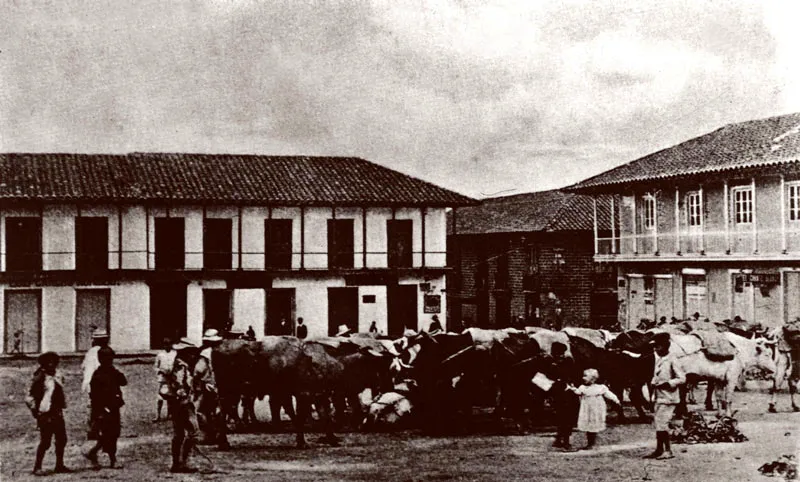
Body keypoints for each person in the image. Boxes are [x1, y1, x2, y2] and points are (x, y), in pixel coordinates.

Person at [26, 352, 70, 475]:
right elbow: (30, 398)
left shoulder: (57, 376)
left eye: (53, 363)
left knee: (62, 439)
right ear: (44, 365)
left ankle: (59, 465)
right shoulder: (40, 378)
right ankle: (37, 467)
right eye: (49, 363)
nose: (52, 365)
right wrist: (36, 412)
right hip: (45, 413)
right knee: (46, 441)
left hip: (57, 411)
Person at [645, 332, 686, 460]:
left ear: (665, 346)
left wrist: (669, 383)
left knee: (662, 424)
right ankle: (659, 449)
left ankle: (668, 450)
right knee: (658, 423)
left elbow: (682, 378)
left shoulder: (673, 359)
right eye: (654, 347)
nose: (655, 349)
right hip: (659, 396)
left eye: (658, 347)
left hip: (669, 397)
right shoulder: (660, 359)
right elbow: (656, 376)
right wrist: (653, 383)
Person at [85, 346, 127, 469]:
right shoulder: (98, 375)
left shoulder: (112, 372)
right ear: (101, 359)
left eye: (111, 358)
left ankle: (95, 453)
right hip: (102, 409)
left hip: (114, 407)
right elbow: (95, 396)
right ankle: (110, 458)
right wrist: (100, 411)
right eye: (107, 359)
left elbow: (123, 381)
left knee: (114, 433)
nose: (109, 361)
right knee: (106, 434)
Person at [164, 338, 200, 473]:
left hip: (176, 403)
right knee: (193, 433)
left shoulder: (177, 364)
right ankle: (184, 461)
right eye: (191, 352)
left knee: (178, 434)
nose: (193, 355)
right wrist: (186, 401)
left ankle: (176, 463)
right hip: (183, 404)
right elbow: (180, 387)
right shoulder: (182, 367)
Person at [566, 368, 620, 450]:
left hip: (596, 408)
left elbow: (609, 394)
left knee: (593, 424)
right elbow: (578, 392)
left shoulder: (600, 387)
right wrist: (571, 388)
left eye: (585, 376)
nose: (583, 378)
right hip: (586, 409)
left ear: (593, 378)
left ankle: (591, 443)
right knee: (588, 424)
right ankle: (590, 443)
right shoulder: (582, 387)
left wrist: (616, 400)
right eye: (583, 376)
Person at [194, 329, 230, 450]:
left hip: (208, 385)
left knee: (201, 410)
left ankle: (210, 434)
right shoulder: (225, 352)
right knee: (219, 411)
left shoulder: (205, 353)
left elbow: (199, 370)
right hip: (222, 384)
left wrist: (195, 380)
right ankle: (221, 436)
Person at [548, 342, 579, 451]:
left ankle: (559, 439)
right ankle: (565, 442)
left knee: (562, 417)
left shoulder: (553, 362)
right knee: (566, 418)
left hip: (561, 393)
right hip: (565, 393)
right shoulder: (565, 361)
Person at [83, 329, 110, 439]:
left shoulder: (90, 352)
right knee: (101, 406)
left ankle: (92, 429)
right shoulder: (103, 352)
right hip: (98, 383)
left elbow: (83, 366)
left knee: (93, 406)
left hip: (89, 383)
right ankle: (97, 429)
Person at [154, 338, 176, 422]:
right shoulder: (160, 355)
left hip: (172, 378)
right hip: (162, 378)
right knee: (160, 397)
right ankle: (158, 415)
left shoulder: (174, 354)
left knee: (170, 397)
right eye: (165, 344)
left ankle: (169, 414)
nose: (167, 346)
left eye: (169, 344)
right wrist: (160, 371)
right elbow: (156, 366)